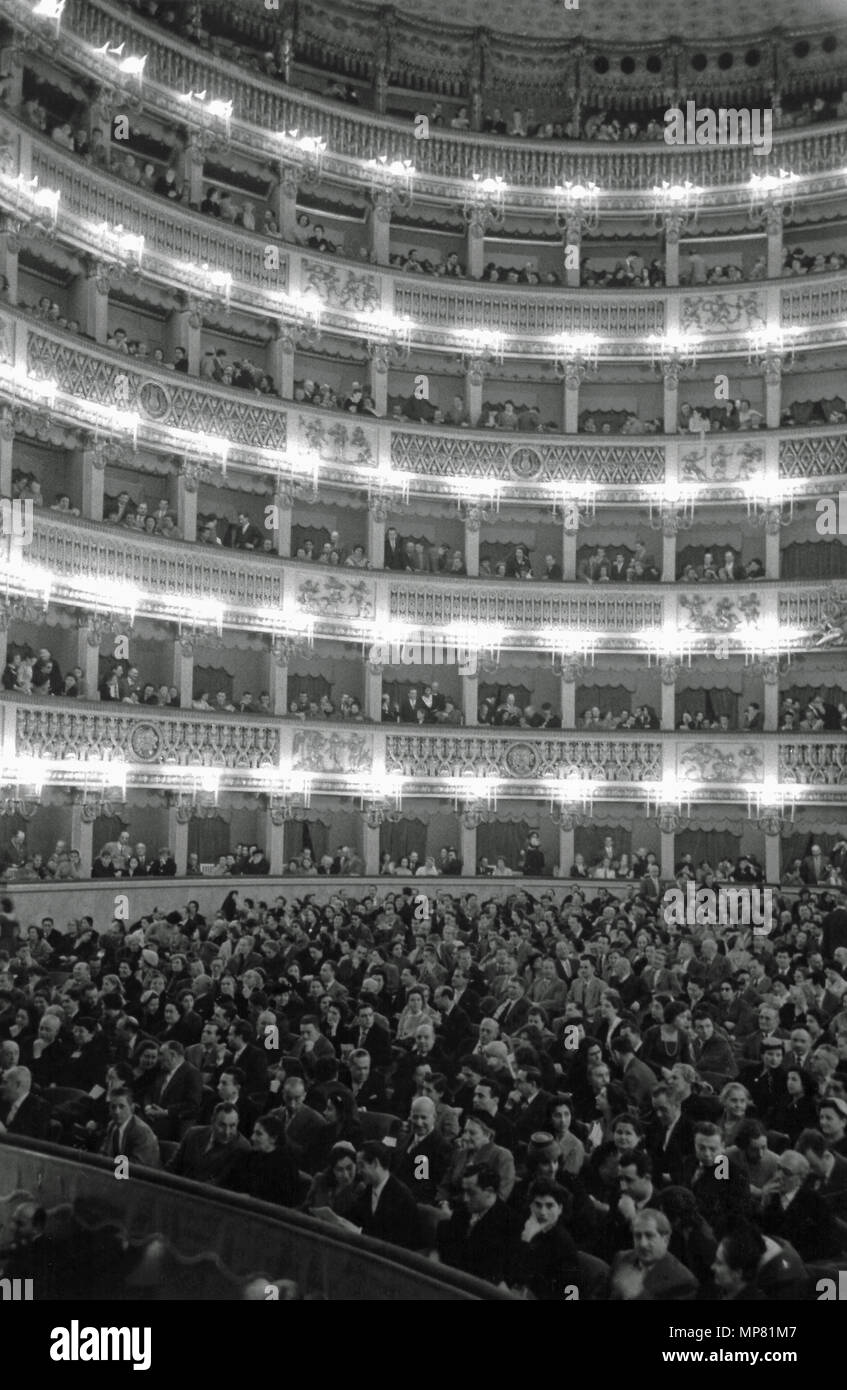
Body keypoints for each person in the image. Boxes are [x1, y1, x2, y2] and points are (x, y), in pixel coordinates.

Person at [610, 1207, 698, 1300]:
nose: (643, 1244)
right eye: (637, 1236)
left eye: (649, 1236)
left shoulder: (683, 1281)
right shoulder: (621, 1259)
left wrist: (636, 1294)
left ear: (665, 1239)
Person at [351, 1141, 421, 1248]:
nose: (358, 1171)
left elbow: (397, 1240)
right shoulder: (368, 1190)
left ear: (375, 1163)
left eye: (361, 1165)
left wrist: (359, 1232)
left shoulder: (402, 1197)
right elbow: (356, 1217)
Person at [225, 1115, 301, 1207]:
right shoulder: (246, 1157)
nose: (252, 1138)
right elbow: (227, 1183)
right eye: (254, 1132)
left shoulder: (286, 1167)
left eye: (259, 1134)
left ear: (273, 1138)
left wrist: (250, 1199)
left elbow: (283, 1202)